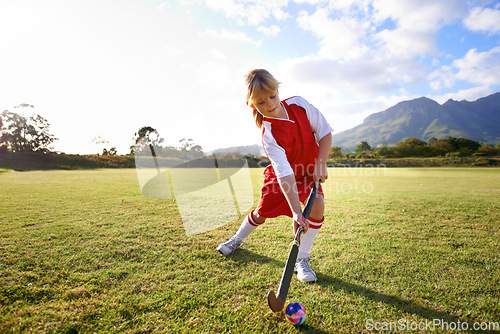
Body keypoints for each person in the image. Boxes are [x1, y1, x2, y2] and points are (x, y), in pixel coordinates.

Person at [217, 69, 333, 283]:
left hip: (308, 171)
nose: (270, 104)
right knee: (262, 213)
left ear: (278, 90)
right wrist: (297, 212)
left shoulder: (299, 104)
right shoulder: (268, 134)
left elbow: (325, 132)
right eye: (261, 102)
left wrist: (321, 163)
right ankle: (236, 239)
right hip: (282, 177)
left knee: (316, 204)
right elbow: (284, 174)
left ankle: (301, 258)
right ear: (252, 105)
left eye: (272, 96)